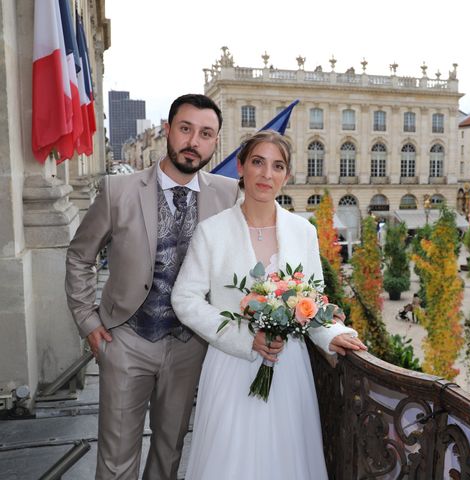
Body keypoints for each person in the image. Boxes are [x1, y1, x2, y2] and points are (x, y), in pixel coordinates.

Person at [171, 131, 367, 479]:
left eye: (277, 166)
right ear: (241, 167)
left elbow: (313, 300)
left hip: (289, 369)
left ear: (286, 176)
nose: (266, 174)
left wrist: (333, 334)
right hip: (231, 367)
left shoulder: (302, 231)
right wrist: (244, 339)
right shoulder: (211, 231)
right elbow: (184, 298)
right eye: (258, 163)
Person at [65, 94, 238, 479]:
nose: (194, 142)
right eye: (185, 129)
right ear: (167, 130)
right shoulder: (118, 190)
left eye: (206, 134)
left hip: (189, 345)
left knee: (170, 449)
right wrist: (87, 321)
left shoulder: (228, 194)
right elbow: (80, 256)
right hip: (126, 338)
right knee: (116, 456)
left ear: (216, 142)